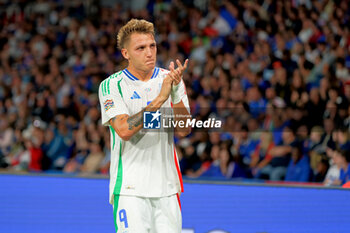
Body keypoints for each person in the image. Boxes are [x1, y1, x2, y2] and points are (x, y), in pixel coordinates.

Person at [98, 19, 191, 233]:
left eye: (152, 46)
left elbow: (184, 129)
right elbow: (124, 130)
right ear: (126, 53)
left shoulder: (171, 79)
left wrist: (175, 93)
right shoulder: (112, 86)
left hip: (167, 188)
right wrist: (159, 100)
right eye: (140, 48)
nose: (149, 53)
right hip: (130, 189)